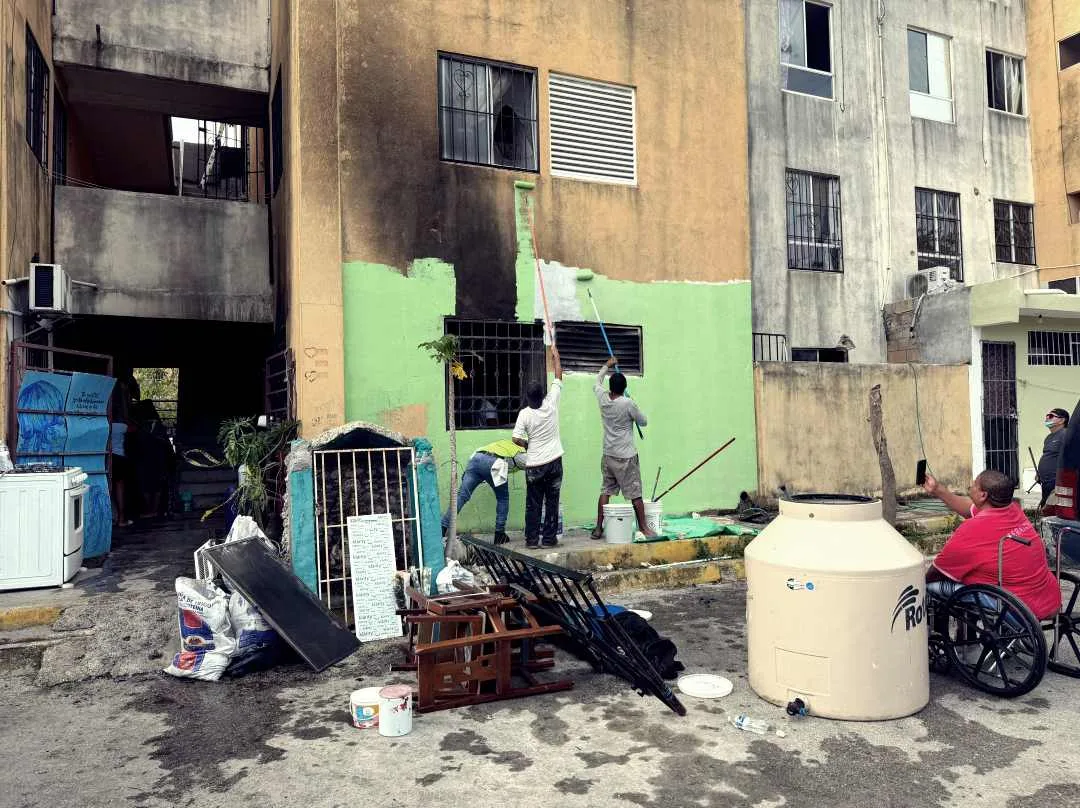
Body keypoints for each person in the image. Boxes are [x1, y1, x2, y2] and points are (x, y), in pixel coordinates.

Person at [922, 469, 1060, 621]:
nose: (970, 487)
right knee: (972, 575)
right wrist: (937, 489)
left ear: (983, 495)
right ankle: (967, 634)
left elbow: (938, 571)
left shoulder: (972, 529)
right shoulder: (1013, 510)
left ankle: (950, 637)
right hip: (1048, 600)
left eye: (974, 485)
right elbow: (969, 509)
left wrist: (918, 582)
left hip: (1015, 607)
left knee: (930, 587)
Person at [590, 356, 655, 540]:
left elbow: (597, 381)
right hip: (626, 456)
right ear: (624, 388)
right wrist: (634, 405)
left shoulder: (602, 397)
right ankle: (643, 528)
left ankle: (598, 528)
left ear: (611, 387)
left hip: (608, 454)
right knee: (635, 493)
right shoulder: (628, 403)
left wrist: (606, 365)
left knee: (606, 491)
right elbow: (644, 422)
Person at [513, 344, 564, 548]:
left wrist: (528, 444)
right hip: (554, 462)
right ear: (542, 395)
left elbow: (515, 438)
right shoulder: (551, 403)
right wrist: (555, 356)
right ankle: (549, 539)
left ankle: (532, 541)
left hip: (535, 465)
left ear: (528, 397)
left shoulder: (524, 414)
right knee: (552, 502)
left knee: (533, 504)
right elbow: (559, 377)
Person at [442, 439, 527, 546]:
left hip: (476, 459)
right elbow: (533, 465)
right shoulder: (520, 452)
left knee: (461, 496)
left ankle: (442, 527)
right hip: (494, 463)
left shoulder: (505, 444)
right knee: (503, 498)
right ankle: (499, 534)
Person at [1038, 407, 1070, 508]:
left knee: (1054, 509)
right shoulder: (1049, 437)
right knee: (1046, 507)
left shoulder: (1066, 434)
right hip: (1045, 481)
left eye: (1051, 416)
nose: (1047, 418)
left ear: (1062, 420)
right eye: (1046, 416)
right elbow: (1048, 456)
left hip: (1056, 481)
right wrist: (1040, 473)